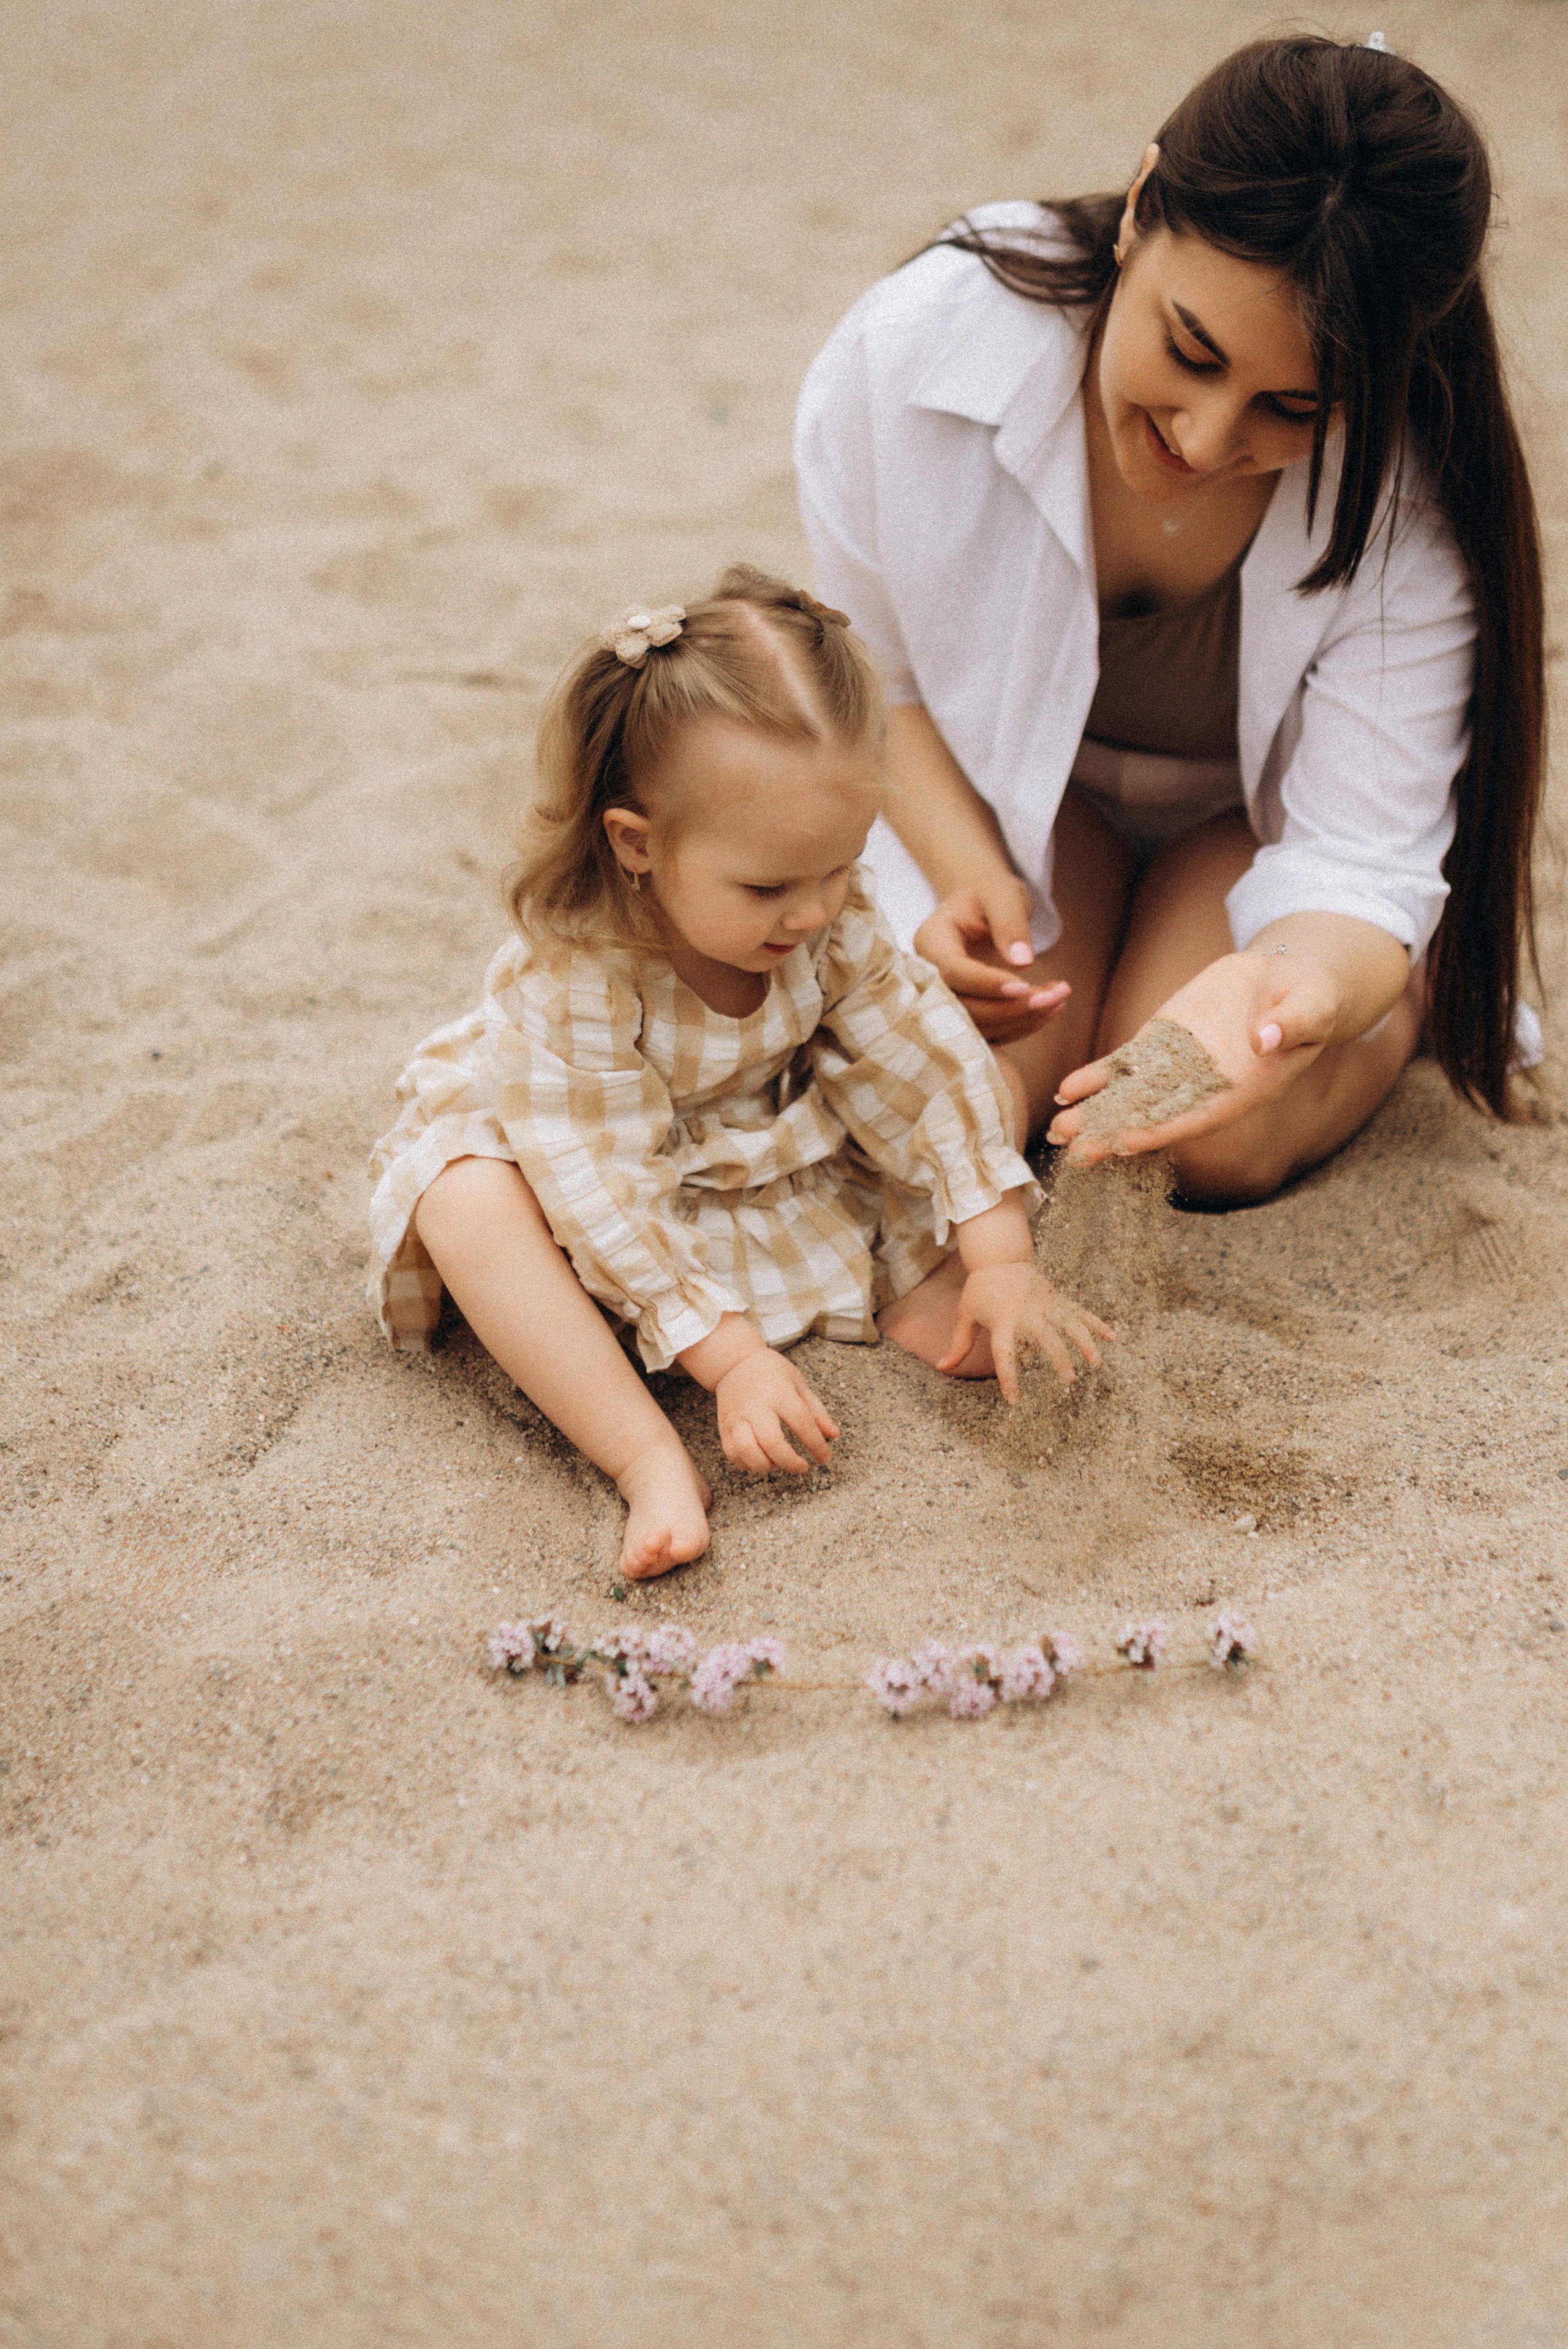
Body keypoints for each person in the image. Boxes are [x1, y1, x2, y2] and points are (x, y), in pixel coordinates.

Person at [794, 32, 1545, 1203]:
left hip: (1251, 828)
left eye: (1293, 407)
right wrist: (961, 877)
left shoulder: (1410, 496)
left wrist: (1297, 988)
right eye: (1188, 351)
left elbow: (1357, 857)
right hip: (1010, 795)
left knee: (1193, 1136)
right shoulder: (916, 346)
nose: (1202, 439)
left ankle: (1413, 1001)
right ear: (1141, 205)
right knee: (978, 1096)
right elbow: (865, 674)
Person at [367, 569, 1112, 1579]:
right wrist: (734, 1358)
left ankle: (909, 1296)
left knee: (919, 1174)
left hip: (759, 1141)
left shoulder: (824, 913)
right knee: (463, 1199)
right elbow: (602, 1184)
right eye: (768, 885)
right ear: (637, 844)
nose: (812, 912)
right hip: (584, 1179)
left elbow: (924, 1063)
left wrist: (1000, 1258)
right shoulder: (581, 974)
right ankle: (648, 1457)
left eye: (841, 865)